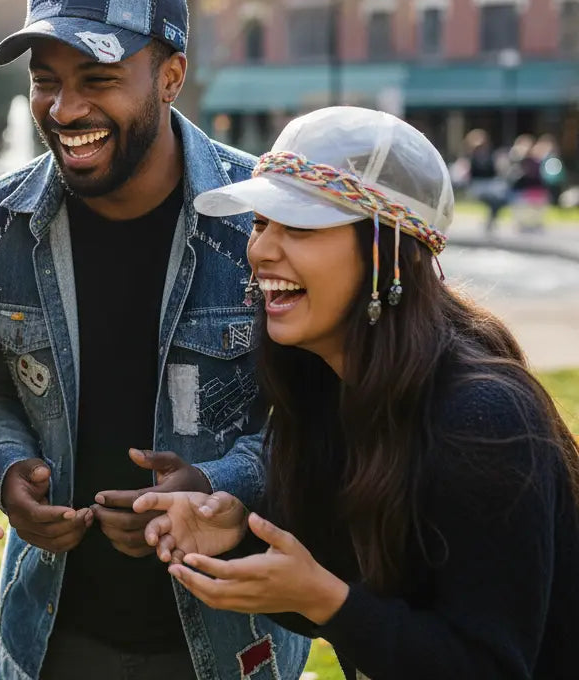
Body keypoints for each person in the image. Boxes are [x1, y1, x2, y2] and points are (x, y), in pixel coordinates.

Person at [0, 0, 308, 680]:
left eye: (98, 79)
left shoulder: (263, 220)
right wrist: (8, 467)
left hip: (229, 638)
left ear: (171, 76)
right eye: (45, 82)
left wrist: (217, 484)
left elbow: (324, 412)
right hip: (52, 638)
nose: (65, 107)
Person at [136, 106, 579, 679]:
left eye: (298, 226)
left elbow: (489, 664)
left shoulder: (483, 417)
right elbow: (360, 604)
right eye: (262, 223)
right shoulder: (324, 385)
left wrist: (325, 598)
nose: (262, 250)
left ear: (387, 252)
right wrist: (239, 537)